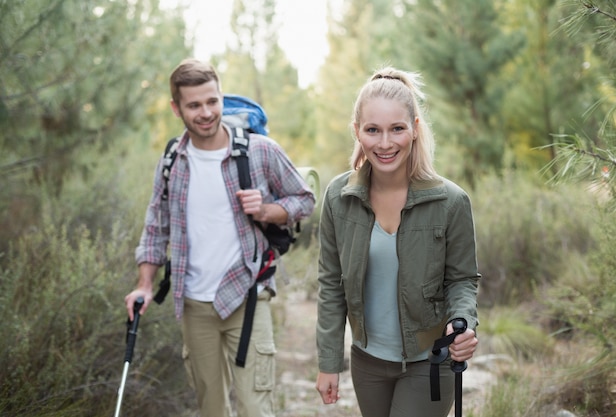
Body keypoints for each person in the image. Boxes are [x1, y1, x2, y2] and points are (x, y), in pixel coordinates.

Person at [125, 58, 316, 417]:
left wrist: (267, 210)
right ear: (176, 108)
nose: (206, 112)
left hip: (246, 296)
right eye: (194, 105)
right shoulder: (171, 161)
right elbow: (155, 228)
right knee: (210, 409)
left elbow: (305, 199)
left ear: (221, 98)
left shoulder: (259, 151)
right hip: (194, 304)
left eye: (212, 101)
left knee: (255, 409)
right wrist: (144, 285)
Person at [315, 66, 480, 417]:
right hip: (367, 362)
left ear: (415, 130)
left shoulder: (450, 201)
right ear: (357, 131)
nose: (385, 143)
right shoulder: (337, 197)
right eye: (373, 130)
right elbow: (331, 285)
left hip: (431, 360)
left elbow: (462, 280)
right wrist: (329, 362)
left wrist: (462, 321)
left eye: (397, 129)